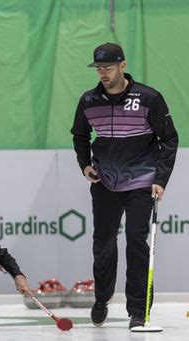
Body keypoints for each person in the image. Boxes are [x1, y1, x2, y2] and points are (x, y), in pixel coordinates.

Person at [71, 43, 178, 330]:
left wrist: (160, 178)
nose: (102, 73)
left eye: (107, 67)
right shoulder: (89, 100)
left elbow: (169, 139)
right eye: (98, 68)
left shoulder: (149, 98)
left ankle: (137, 310)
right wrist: (85, 164)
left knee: (136, 243)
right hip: (104, 182)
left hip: (142, 182)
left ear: (122, 65)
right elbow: (79, 135)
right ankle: (102, 298)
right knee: (103, 245)